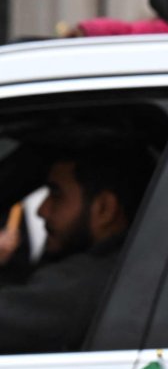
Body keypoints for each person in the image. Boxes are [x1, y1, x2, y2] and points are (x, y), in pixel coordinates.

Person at [0, 146, 154, 354]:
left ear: (104, 209)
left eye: (56, 194)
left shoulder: (83, 283)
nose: (41, 210)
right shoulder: (136, 266)